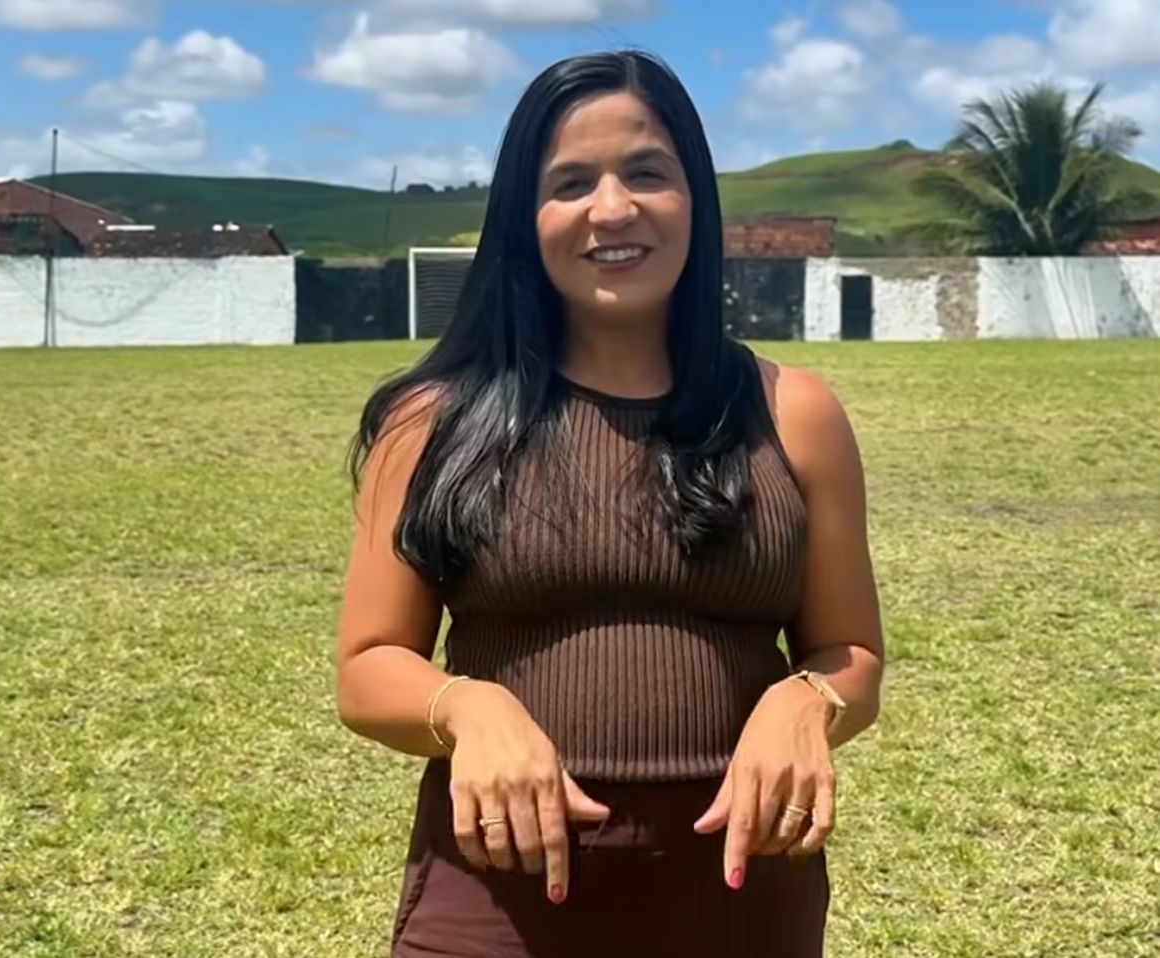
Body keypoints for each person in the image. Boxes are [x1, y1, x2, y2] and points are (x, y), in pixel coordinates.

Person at [336, 49, 885, 958]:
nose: (612, 209)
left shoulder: (796, 415)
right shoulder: (430, 423)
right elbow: (367, 666)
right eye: (569, 183)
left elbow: (852, 651)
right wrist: (469, 708)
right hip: (496, 894)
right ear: (525, 216)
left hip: (741, 895)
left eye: (645, 173)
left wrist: (809, 698)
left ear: (695, 199)